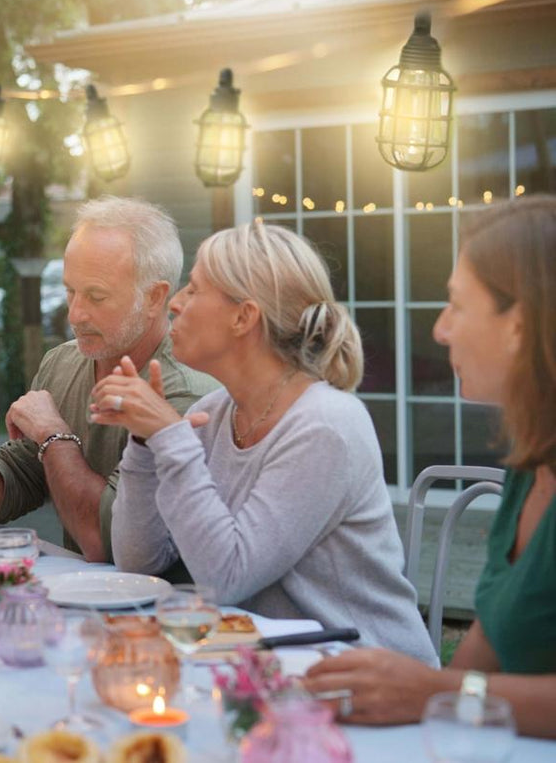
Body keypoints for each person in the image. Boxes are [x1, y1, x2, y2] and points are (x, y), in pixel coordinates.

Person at [92, 222, 435, 663]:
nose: (175, 303)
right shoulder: (215, 412)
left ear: (244, 317)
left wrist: (169, 436)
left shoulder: (325, 425)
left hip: (368, 676)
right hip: (271, 667)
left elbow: (226, 578)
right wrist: (143, 441)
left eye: (194, 290)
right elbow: (138, 561)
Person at [303, 196, 556, 737]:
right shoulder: (530, 460)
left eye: (457, 305)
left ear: (522, 322)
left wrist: (437, 691)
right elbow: (495, 630)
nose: (440, 330)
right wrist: (427, 712)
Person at [0, 197, 217, 562]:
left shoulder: (189, 392)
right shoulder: (63, 361)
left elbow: (103, 540)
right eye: (70, 291)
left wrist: (53, 434)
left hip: (168, 611)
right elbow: (22, 477)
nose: (75, 314)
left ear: (154, 298)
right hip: (85, 599)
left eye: (96, 296)